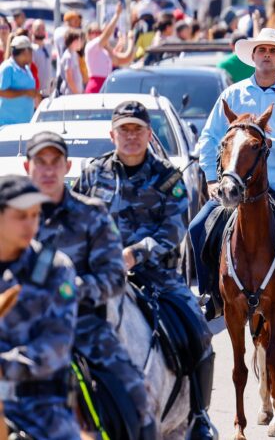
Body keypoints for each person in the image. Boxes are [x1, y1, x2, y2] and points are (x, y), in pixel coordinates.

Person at [74, 102, 217, 438]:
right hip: (103, 277)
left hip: (157, 278)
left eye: (138, 129)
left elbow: (174, 229)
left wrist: (135, 254)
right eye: (124, 129)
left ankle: (198, 416)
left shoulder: (168, 178)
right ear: (112, 135)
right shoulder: (93, 174)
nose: (131, 136)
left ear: (149, 135)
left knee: (198, 331)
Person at [189, 28, 275, 331]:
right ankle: (211, 294)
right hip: (236, 182)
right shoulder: (232, 94)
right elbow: (211, 139)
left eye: (273, 52)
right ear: (253, 57)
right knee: (197, 227)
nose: (267, 56)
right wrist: (213, 179)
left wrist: (268, 142)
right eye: (262, 51)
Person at [27, 131, 155, 438]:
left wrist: (67, 290)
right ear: (27, 167)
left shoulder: (91, 213)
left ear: (67, 167)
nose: (47, 170)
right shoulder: (12, 216)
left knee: (137, 400)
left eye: (55, 162)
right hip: (25, 329)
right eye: (40, 162)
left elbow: (113, 278)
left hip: (84, 327)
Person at [0, 175, 79, 440]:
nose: (30, 224)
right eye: (21, 215)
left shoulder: (54, 268)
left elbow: (56, 345)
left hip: (40, 411)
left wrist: (2, 367)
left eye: (35, 215)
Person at [0, 36, 42, 126]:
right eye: (31, 51)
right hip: (8, 125)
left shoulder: (26, 68)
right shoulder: (7, 68)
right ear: (25, 51)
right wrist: (25, 92)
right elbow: (2, 92)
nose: (32, 54)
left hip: (24, 123)